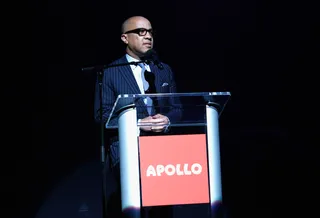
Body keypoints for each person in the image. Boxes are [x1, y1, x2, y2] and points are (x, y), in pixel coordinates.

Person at [93, 15, 182, 218]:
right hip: (127, 150)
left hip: (164, 151)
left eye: (150, 32)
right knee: (135, 207)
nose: (148, 36)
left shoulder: (163, 70)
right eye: (141, 32)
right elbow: (102, 115)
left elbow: (178, 109)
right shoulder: (110, 72)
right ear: (125, 38)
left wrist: (167, 120)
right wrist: (139, 123)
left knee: (163, 209)